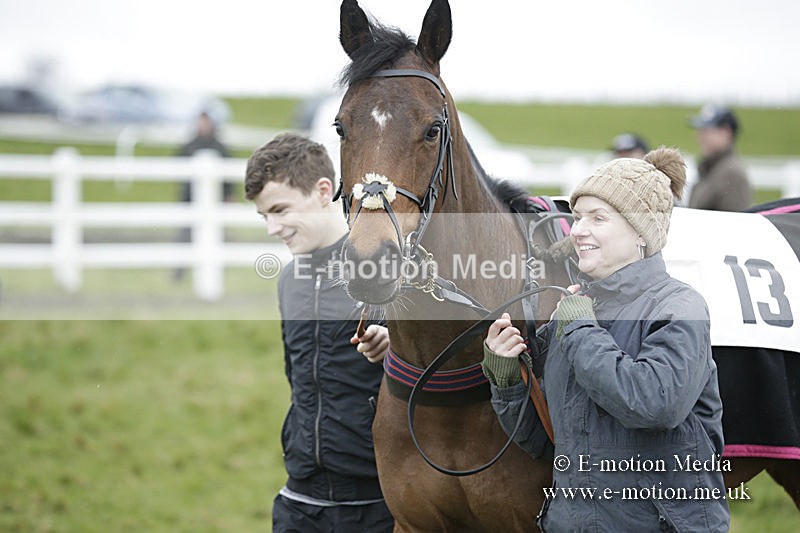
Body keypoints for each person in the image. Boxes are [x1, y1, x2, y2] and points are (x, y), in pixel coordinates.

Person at [482, 147, 729, 531]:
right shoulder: (574, 313)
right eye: (578, 217)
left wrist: (580, 329)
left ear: (640, 233)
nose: (578, 230)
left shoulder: (680, 307)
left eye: (598, 218)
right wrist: (507, 377)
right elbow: (545, 441)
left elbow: (653, 403)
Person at [244, 132, 394, 532]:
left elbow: (433, 371)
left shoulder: (385, 271)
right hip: (300, 498)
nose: (273, 228)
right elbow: (298, 379)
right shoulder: (288, 280)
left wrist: (393, 349)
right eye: (264, 216)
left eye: (280, 210)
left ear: (323, 191)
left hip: (376, 501)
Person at [687, 103, 753, 211]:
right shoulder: (713, 169)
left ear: (726, 132)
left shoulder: (732, 174)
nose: (700, 137)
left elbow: (738, 224)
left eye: (706, 131)